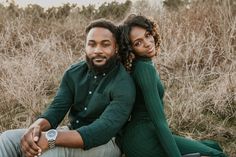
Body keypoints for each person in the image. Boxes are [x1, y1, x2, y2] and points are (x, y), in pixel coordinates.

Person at [0, 19, 136, 157]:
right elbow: (56, 110)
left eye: (105, 45)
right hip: (72, 132)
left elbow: (101, 131)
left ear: (116, 47)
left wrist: (51, 138)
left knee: (47, 153)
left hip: (107, 143)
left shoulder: (124, 83)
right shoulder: (74, 73)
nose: (97, 50)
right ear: (85, 46)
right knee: (6, 139)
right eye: (92, 44)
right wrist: (36, 128)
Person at [118, 14, 228, 157]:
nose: (147, 43)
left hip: (143, 133)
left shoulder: (143, 64)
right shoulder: (145, 70)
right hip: (142, 140)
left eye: (147, 34)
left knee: (212, 145)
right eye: (138, 43)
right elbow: (159, 122)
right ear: (131, 48)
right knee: (216, 154)